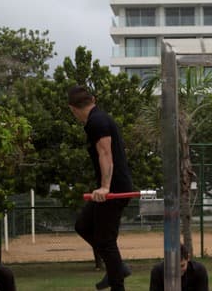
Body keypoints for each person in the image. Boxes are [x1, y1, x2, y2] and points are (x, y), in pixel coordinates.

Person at [69, 85, 135, 291]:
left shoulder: (96, 122)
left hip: (114, 190)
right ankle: (118, 267)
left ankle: (118, 284)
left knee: (105, 241)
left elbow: (105, 153)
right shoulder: (98, 119)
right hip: (111, 188)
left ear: (72, 108)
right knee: (83, 225)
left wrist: (105, 187)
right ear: (93, 99)